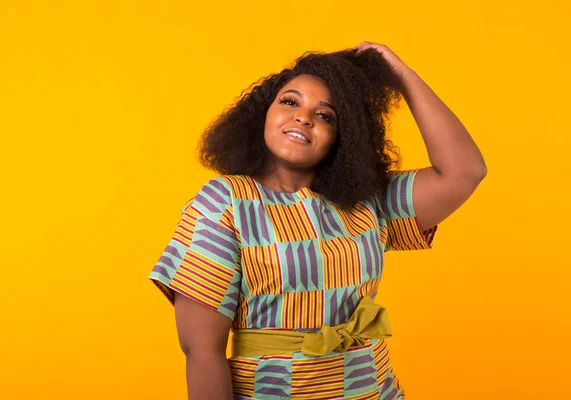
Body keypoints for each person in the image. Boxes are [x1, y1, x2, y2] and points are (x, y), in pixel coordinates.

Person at [149, 41, 487, 400]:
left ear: (344, 138)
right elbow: (202, 352)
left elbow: (465, 171)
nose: (304, 117)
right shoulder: (226, 202)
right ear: (264, 112)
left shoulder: (366, 201)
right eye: (290, 102)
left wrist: (399, 75)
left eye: (325, 115)